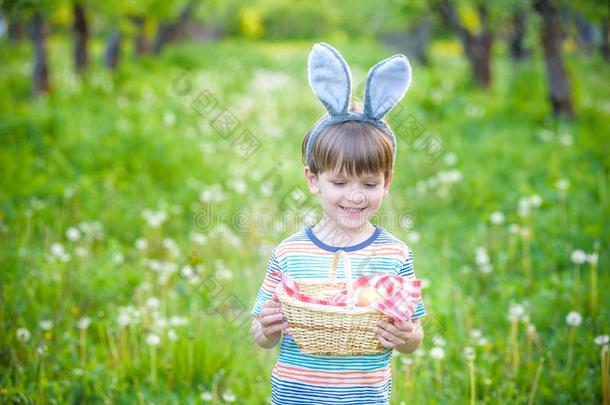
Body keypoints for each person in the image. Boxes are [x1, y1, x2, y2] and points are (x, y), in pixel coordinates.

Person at [250, 42, 426, 405]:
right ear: (313, 180)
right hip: (295, 397)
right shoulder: (290, 253)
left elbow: (414, 335)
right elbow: (260, 332)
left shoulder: (394, 255)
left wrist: (406, 336)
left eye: (370, 184)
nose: (356, 196)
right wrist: (266, 329)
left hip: (364, 398)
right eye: (340, 183)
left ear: (387, 182)